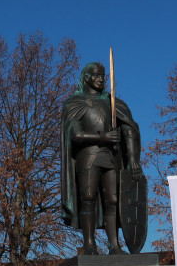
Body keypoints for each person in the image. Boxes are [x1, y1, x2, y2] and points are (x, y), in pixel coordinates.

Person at [60, 61, 144, 255]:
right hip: (88, 155)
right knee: (88, 197)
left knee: (113, 200)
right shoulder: (75, 103)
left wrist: (132, 159)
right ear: (87, 78)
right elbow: (76, 135)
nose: (100, 79)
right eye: (96, 75)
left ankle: (114, 245)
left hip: (111, 157)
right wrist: (102, 137)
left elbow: (129, 128)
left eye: (103, 76)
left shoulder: (112, 103)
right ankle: (89, 244)